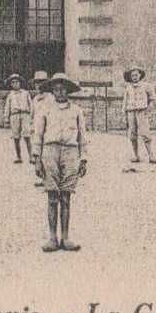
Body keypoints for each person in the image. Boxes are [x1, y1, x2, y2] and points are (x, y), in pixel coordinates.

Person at [31, 73, 88, 253]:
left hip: (70, 152)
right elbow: (38, 135)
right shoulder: (44, 109)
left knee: (66, 196)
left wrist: (83, 158)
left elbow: (83, 136)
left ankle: (65, 237)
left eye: (63, 89)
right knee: (52, 195)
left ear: (68, 90)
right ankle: (52, 238)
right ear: (52, 91)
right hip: (50, 151)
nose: (59, 92)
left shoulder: (76, 111)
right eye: (56, 89)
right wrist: (37, 159)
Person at [122, 66, 156, 165]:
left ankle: (151, 155)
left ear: (140, 75)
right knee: (132, 134)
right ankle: (136, 155)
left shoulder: (146, 86)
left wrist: (148, 110)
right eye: (132, 75)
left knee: (145, 133)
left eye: (136, 75)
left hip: (142, 112)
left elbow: (154, 100)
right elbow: (125, 102)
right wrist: (124, 114)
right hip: (131, 112)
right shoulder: (128, 88)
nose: (134, 77)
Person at [2, 73, 34, 164]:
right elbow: (7, 107)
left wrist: (31, 117)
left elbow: (31, 105)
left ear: (20, 83)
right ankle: (18, 157)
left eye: (16, 82)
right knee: (16, 137)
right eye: (13, 82)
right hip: (14, 115)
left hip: (25, 115)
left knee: (27, 135)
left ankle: (31, 156)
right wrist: (6, 119)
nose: (15, 84)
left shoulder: (26, 93)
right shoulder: (10, 95)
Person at [28, 70, 53, 186]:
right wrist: (31, 126)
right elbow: (32, 114)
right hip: (37, 129)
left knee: (47, 153)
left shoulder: (51, 98)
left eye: (41, 83)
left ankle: (49, 177)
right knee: (37, 152)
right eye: (37, 83)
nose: (38, 86)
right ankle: (40, 175)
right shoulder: (35, 99)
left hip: (48, 129)